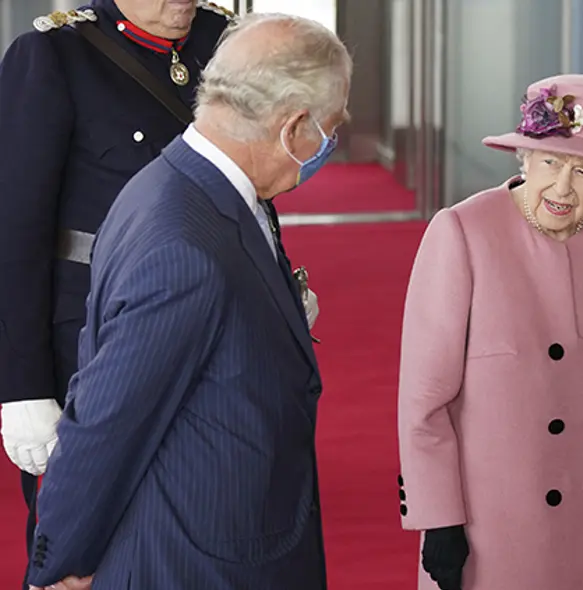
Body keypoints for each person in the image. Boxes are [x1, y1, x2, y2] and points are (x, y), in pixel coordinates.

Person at [23, 12, 351, 590]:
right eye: (332, 124)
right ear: (294, 126)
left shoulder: (179, 182)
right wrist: (57, 565)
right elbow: (104, 423)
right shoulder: (185, 247)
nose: (332, 137)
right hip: (199, 562)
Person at [396, 73, 583, 590]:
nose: (561, 186)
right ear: (525, 157)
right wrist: (438, 516)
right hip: (497, 526)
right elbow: (424, 401)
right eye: (550, 162)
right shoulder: (463, 232)